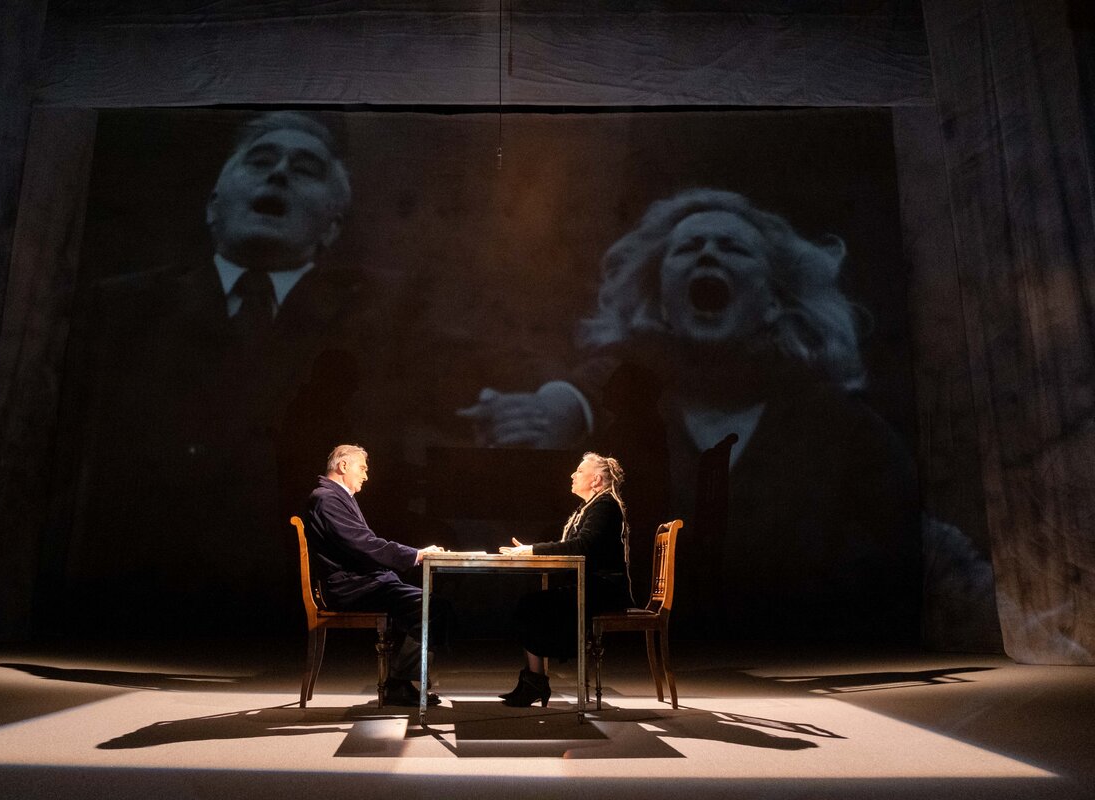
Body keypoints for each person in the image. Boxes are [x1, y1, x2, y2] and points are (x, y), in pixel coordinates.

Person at [464, 188, 921, 642]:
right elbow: (587, 391)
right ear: (663, 301)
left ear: (773, 301)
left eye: (733, 247)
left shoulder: (846, 431)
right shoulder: (627, 409)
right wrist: (558, 405)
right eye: (689, 247)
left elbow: (888, 560)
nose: (708, 254)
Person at [68, 111, 400, 634]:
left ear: (333, 225)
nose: (279, 173)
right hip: (135, 580)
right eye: (261, 160)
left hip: (269, 569)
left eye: (305, 168)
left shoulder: (384, 321)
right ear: (213, 204)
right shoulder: (114, 309)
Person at [303, 444, 445, 706]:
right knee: (433, 607)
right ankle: (399, 683)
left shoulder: (336, 497)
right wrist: (416, 555)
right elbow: (364, 544)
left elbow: (363, 544)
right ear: (343, 466)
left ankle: (400, 681)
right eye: (363, 468)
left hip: (363, 583)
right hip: (352, 588)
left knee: (429, 606)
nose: (366, 476)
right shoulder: (327, 499)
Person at [497, 452, 634, 707]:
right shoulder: (591, 507)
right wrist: (532, 550)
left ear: (596, 480)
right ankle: (534, 679)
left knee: (531, 605)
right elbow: (572, 546)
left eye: (580, 471)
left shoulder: (605, 506)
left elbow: (582, 546)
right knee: (530, 604)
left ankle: (535, 681)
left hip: (604, 589)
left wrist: (532, 550)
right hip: (592, 585)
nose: (573, 475)